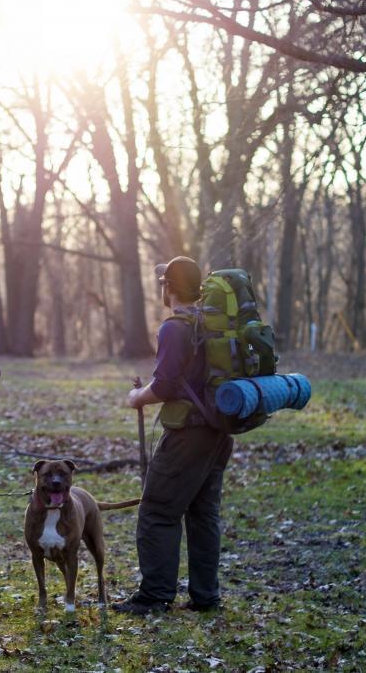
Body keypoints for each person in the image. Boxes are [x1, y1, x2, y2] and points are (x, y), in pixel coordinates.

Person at [112, 256, 234, 616]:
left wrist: (137, 397)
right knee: (202, 514)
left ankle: (154, 596)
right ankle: (205, 596)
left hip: (188, 434)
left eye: (163, 283)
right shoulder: (210, 323)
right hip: (219, 430)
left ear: (169, 286)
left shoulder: (175, 328)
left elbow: (164, 385)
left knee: (157, 511)